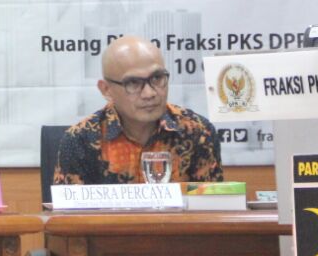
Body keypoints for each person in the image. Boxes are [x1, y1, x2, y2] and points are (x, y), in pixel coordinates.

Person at [53, 34, 223, 185]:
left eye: (157, 78)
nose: (149, 93)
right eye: (133, 83)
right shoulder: (80, 141)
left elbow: (211, 207)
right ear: (106, 90)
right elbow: (68, 210)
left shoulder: (198, 132)